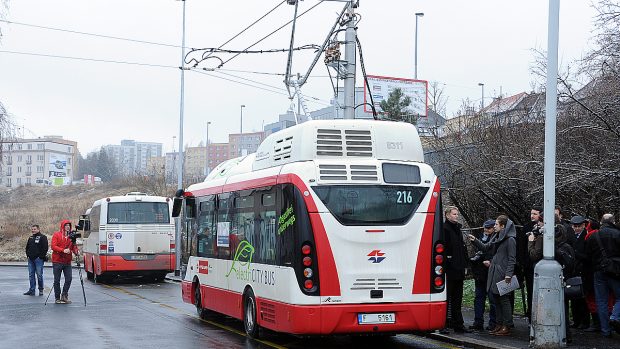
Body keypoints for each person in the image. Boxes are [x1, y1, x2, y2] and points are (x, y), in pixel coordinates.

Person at [468, 215, 517, 336]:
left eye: (496, 224)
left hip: (503, 273)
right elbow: (485, 247)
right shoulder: (496, 237)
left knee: (503, 299)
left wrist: (508, 274)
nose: (494, 226)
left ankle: (507, 325)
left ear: (503, 226)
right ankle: (499, 324)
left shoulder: (510, 240)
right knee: (496, 298)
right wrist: (475, 240)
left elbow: (512, 259)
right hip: (494, 271)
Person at [586, 214, 620, 338]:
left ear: (601, 222)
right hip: (615, 271)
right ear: (613, 221)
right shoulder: (617, 234)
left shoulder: (593, 236)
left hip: (598, 271)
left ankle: (605, 330)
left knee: (601, 301)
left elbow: (588, 254)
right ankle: (615, 317)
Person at [442, 206, 470, 333]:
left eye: (457, 214)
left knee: (457, 299)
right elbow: (445, 249)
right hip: (449, 269)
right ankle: (444, 324)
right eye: (454, 214)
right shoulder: (445, 229)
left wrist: (465, 264)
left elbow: (462, 249)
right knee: (447, 298)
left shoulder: (457, 229)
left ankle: (458, 324)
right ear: (447, 215)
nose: (456, 216)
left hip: (459, 269)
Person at [469, 219, 497, 331]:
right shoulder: (483, 236)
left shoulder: (496, 238)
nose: (486, 230)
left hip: (490, 271)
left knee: (492, 299)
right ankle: (478, 321)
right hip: (481, 272)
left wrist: (490, 260)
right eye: (485, 228)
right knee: (479, 298)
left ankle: (493, 322)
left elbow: (492, 251)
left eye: (488, 228)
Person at [518, 206, 542, 323]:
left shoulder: (544, 227)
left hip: (539, 263)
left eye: (535, 214)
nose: (532, 216)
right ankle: (531, 314)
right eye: (531, 213)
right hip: (529, 265)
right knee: (531, 291)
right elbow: (521, 246)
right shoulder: (526, 227)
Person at [569, 215, 591, 329]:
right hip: (574, 269)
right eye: (575, 226)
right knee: (574, 297)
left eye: (579, 226)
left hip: (583, 269)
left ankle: (584, 321)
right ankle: (576, 320)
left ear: (583, 225)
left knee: (582, 297)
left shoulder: (586, 237)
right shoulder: (572, 236)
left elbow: (587, 255)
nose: (576, 228)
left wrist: (576, 254)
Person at [51, 220, 79, 304]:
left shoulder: (71, 236)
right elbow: (53, 246)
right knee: (57, 280)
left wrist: (76, 252)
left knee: (69, 279)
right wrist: (63, 250)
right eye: (66, 225)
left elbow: (74, 246)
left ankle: (64, 295)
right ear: (62, 226)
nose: (68, 227)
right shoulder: (57, 235)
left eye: (69, 225)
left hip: (67, 261)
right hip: (57, 261)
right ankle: (57, 297)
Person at [24, 224, 48, 296]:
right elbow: (27, 247)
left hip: (38, 260)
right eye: (32, 229)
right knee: (31, 275)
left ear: (38, 229)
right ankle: (32, 290)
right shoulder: (30, 237)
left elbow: (45, 248)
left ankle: (41, 289)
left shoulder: (43, 237)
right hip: (30, 259)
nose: (33, 230)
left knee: (39, 275)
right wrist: (28, 255)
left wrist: (40, 257)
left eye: (34, 229)